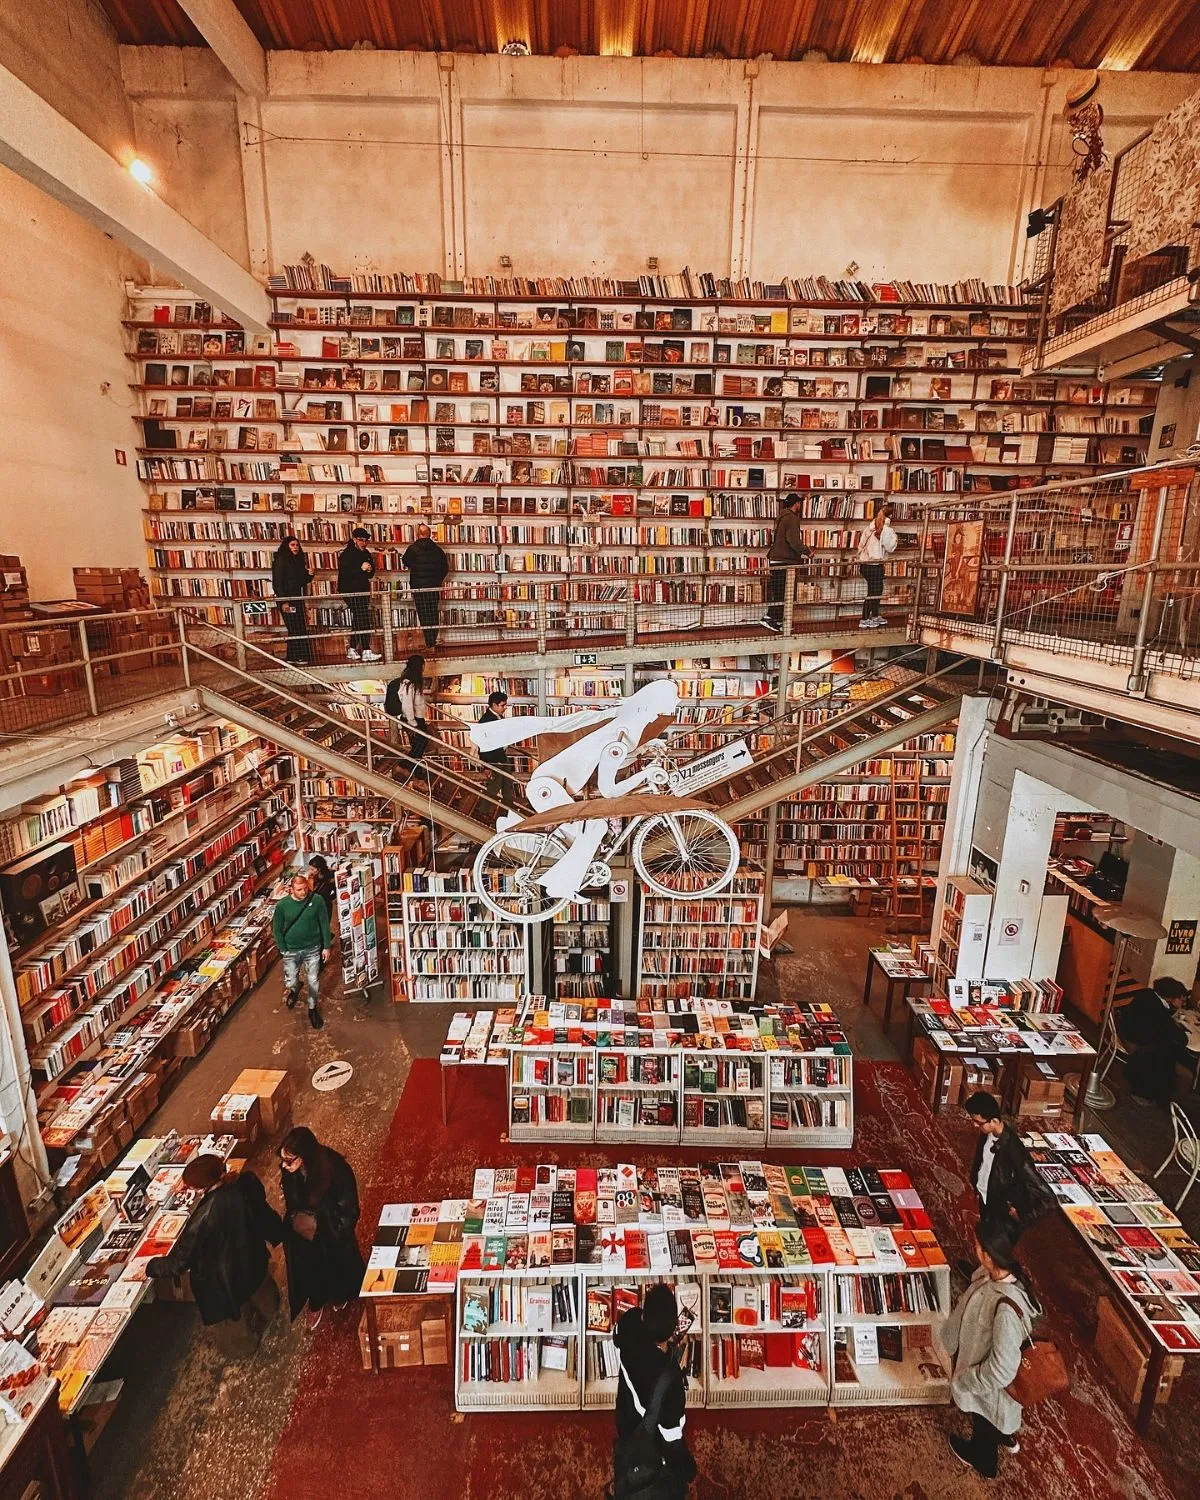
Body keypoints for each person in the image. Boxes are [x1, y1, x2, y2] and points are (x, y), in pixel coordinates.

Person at [146, 1154, 283, 1359]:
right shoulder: (244, 1186)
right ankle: (271, 1314)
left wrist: (151, 1267)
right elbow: (262, 1215)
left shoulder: (202, 1219)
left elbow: (180, 1263)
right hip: (252, 1259)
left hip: (223, 1280)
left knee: (234, 1336)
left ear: (201, 1188)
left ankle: (244, 1346)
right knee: (263, 1294)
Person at [941, 1218, 1041, 1480]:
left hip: (987, 1384)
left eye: (977, 1246)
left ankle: (983, 1458)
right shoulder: (998, 1276)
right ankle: (1003, 1434)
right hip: (984, 1368)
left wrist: (968, 1380)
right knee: (994, 1413)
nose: (974, 1248)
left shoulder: (1005, 1311)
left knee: (984, 1416)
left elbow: (1002, 1369)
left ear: (988, 1254)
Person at [278, 1126, 366, 1330]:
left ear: (304, 1156)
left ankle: (339, 1294)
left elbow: (349, 1208)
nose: (284, 1166)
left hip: (331, 1234)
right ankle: (316, 1301)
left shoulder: (336, 1170)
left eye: (289, 1161)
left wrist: (336, 1232)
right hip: (305, 1234)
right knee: (310, 1271)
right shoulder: (292, 1172)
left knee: (337, 1269)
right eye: (283, 1159)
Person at [614, 1282, 696, 1498]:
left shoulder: (629, 1322)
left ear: (644, 1315)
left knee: (627, 1445)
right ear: (671, 1331)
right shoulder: (670, 1382)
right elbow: (671, 1437)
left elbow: (617, 1336)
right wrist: (687, 1469)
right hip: (652, 1440)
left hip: (626, 1415)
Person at [963, 1092, 1054, 1245]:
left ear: (994, 1121)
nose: (975, 1126)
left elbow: (1048, 1198)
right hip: (987, 1200)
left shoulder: (1015, 1152)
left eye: (978, 1122)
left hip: (1001, 1212)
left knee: (997, 1253)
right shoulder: (987, 1133)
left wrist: (1023, 1217)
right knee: (985, 1244)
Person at [1115, 974, 1191, 1106]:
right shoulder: (1159, 1010)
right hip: (1138, 1044)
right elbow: (1180, 1038)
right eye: (1182, 1000)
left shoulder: (1146, 995)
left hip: (1126, 1033)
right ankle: (1172, 1101)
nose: (1182, 1004)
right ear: (1172, 997)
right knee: (1176, 1061)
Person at [272, 869, 331, 1030]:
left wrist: (326, 946)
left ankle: (312, 1010)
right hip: (291, 949)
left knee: (313, 980)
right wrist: (283, 949)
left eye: (305, 888)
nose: (303, 892)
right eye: (299, 890)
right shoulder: (282, 906)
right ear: (291, 889)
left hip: (313, 947)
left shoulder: (317, 900)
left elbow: (324, 923)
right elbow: (276, 929)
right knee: (290, 980)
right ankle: (296, 987)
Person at [763, 491, 808, 633]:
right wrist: (807, 551)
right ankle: (770, 617)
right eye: (799, 503)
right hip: (784, 560)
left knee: (779, 591)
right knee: (783, 592)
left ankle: (776, 620)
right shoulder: (792, 518)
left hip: (776, 559)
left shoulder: (782, 517)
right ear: (797, 504)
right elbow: (794, 541)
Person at [402, 524, 450, 650]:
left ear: (419, 534)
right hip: (433, 587)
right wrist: (437, 580)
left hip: (419, 588)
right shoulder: (438, 550)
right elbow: (445, 568)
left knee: (423, 615)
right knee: (433, 614)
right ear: (429, 534)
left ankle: (429, 643)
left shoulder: (413, 549)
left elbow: (405, 561)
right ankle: (431, 642)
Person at [337, 527, 380, 662]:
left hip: (362, 590)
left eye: (366, 541)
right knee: (363, 617)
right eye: (361, 540)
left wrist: (369, 569)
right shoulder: (346, 555)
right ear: (354, 539)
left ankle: (352, 649)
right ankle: (366, 649)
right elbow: (345, 574)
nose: (364, 543)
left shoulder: (366, 553)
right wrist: (361, 569)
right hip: (349, 590)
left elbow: (371, 574)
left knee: (359, 617)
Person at [384, 654, 431, 777]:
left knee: (418, 748)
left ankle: (417, 775)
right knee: (420, 746)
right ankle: (402, 766)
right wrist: (413, 724)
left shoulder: (413, 682)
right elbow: (407, 705)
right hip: (412, 721)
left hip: (416, 720)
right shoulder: (408, 684)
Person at [271, 535, 313, 665]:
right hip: (287, 599)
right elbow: (277, 583)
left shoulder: (297, 561)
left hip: (297, 598)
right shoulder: (281, 560)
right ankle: (296, 657)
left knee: (299, 627)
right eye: (292, 545)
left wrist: (310, 575)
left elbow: (300, 581)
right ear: (286, 546)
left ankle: (295, 657)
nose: (295, 547)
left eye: (297, 545)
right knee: (295, 627)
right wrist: (284, 601)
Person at [857, 504, 897, 628]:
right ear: (890, 516)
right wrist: (896, 538)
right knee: (875, 591)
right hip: (876, 565)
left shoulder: (869, 528)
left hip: (865, 564)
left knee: (874, 590)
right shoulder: (887, 530)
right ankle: (864, 619)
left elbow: (860, 545)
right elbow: (891, 548)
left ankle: (874, 616)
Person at [477, 689, 513, 806]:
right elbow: (482, 745)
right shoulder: (486, 721)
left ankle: (508, 810)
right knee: (494, 787)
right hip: (493, 760)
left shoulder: (498, 717)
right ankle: (483, 811)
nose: (505, 707)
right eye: (503, 705)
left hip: (501, 757)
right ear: (494, 705)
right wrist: (486, 766)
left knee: (507, 786)